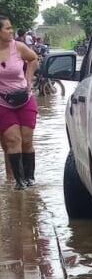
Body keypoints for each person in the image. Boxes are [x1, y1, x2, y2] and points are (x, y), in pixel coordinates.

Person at [0, 15, 39, 189]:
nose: (11, 31)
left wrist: (28, 80)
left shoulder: (19, 47)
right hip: (3, 103)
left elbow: (33, 59)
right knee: (12, 140)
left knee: (26, 141)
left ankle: (30, 179)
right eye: (7, 28)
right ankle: (19, 182)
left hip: (25, 99)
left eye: (11, 27)